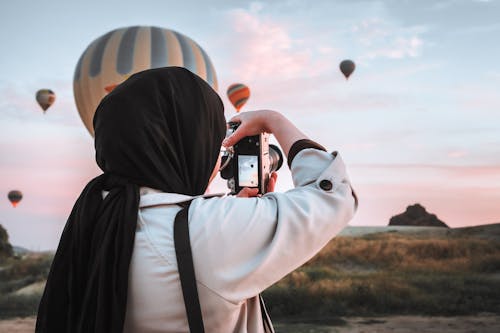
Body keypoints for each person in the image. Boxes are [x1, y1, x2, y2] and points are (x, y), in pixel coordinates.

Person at [36, 67, 357, 333]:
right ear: (186, 145)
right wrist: (273, 120)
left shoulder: (93, 219)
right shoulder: (208, 231)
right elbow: (334, 195)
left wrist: (226, 213)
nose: (217, 161)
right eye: (213, 143)